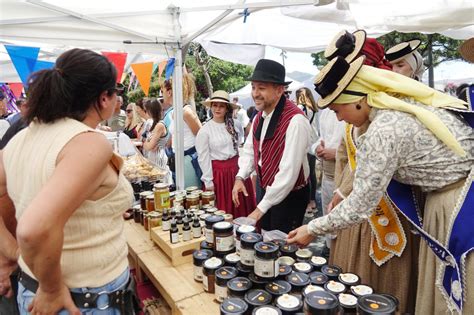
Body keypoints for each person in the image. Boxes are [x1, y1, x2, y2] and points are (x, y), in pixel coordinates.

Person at [288, 55, 473, 314]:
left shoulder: (383, 131)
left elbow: (361, 205)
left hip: (454, 205)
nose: (339, 119)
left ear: (356, 99)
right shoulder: (394, 109)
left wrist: (312, 228)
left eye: (337, 110)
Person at [0, 48, 138, 314]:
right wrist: (51, 287)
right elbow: (33, 228)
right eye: (115, 94)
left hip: (35, 290)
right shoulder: (89, 142)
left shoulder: (23, 138)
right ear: (104, 98)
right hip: (80, 299)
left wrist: (11, 252)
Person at [321, 30, 419, 314]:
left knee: (385, 280)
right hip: (357, 209)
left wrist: (344, 191)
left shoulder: (389, 111)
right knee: (353, 274)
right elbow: (346, 156)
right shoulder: (355, 110)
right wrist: (340, 189)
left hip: (391, 208)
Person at [232, 59, 312, 233]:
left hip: (290, 196)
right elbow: (249, 152)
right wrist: (240, 177)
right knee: (266, 240)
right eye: (253, 87)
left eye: (261, 88)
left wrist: (260, 209)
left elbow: (288, 173)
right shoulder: (258, 117)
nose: (255, 93)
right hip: (266, 189)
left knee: (284, 247)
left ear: (279, 90)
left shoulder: (295, 121)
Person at [196, 91, 256, 217]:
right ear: (211, 106)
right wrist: (208, 181)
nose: (217, 109)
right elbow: (203, 158)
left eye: (221, 106)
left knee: (241, 208)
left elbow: (240, 146)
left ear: (227, 108)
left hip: (236, 171)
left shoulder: (236, 124)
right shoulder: (205, 130)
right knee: (223, 212)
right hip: (219, 175)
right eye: (215, 105)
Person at [160, 76, 203, 188]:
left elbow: (201, 137)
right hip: (178, 160)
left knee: (191, 196)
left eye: (162, 90)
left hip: (189, 161)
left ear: (169, 92)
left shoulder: (186, 112)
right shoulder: (175, 112)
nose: (162, 93)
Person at [295, 87, 319, 214]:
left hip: (305, 144)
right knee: (312, 174)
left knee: (306, 174)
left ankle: (308, 203)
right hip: (313, 143)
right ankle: (313, 201)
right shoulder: (313, 108)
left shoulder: (300, 108)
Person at [142, 98, 172, 184]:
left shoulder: (159, 125)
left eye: (146, 110)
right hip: (154, 157)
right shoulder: (155, 124)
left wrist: (146, 143)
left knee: (161, 185)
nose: (146, 113)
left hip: (159, 158)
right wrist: (147, 144)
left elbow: (150, 146)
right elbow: (148, 144)